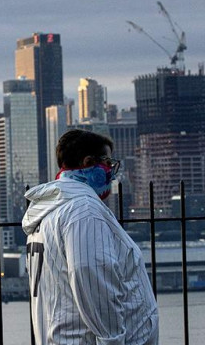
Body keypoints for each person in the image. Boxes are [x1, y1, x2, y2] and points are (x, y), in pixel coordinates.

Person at [23, 129, 158, 344]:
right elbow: (91, 276)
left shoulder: (47, 214)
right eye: (108, 164)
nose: (111, 173)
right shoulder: (83, 210)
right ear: (88, 161)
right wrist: (112, 341)